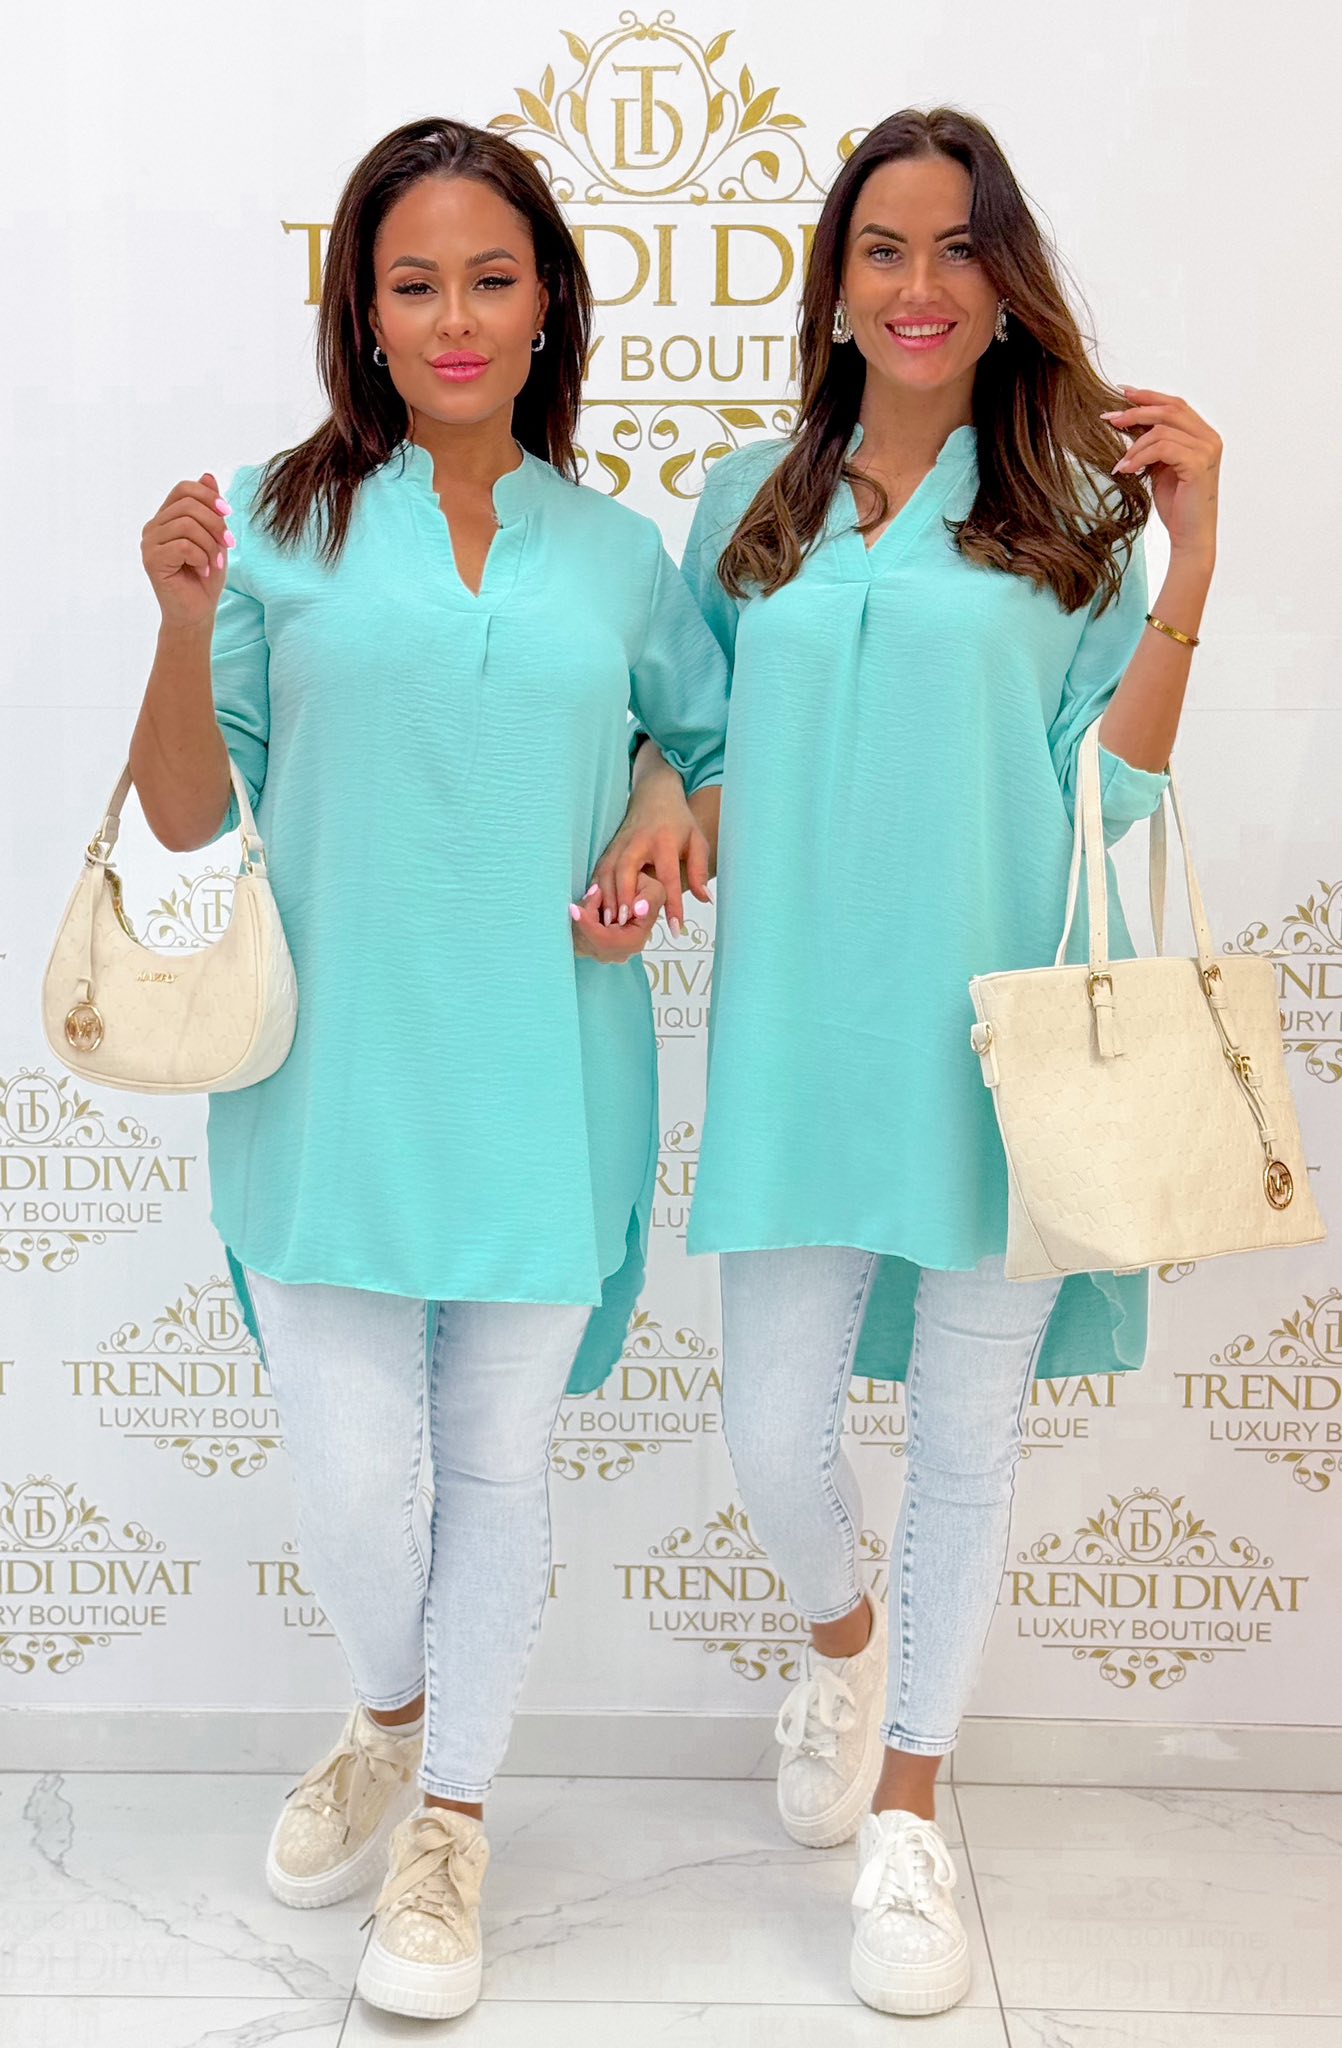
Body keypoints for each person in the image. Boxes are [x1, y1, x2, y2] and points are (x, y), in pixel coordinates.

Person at [603, 105, 1221, 2017]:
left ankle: (908, 1818)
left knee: (963, 1445)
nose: (920, 283)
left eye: (959, 247)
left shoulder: (1069, 520)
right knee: (768, 1432)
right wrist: (662, 790)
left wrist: (1194, 552)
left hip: (996, 1043)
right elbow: (693, 730)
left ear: (1004, 282)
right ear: (837, 281)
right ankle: (843, 1641)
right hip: (797, 1037)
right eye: (884, 246)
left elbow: (1109, 791)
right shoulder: (744, 503)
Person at [129, 115, 726, 2024]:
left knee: (494, 1465)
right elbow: (184, 818)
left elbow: (705, 743)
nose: (454, 319)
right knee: (353, 1474)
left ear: (547, 305)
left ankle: (451, 1817)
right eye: (413, 285)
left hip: (549, 1076)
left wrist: (658, 803)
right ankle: (390, 1715)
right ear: (361, 313)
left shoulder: (618, 556)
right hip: (327, 1086)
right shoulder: (268, 522)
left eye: (490, 279)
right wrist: (178, 628)